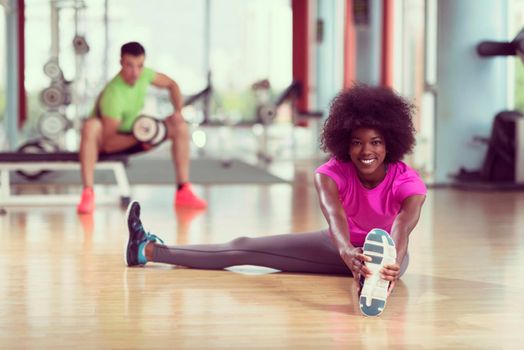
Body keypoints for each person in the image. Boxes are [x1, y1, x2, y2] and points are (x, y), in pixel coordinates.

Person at [123, 84, 427, 316]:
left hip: (390, 257)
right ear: (344, 144)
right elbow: (335, 219)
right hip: (338, 246)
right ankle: (147, 249)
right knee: (244, 247)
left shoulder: (408, 181)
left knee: (384, 260)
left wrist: (393, 260)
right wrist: (348, 253)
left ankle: (374, 277)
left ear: (391, 144)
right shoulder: (329, 173)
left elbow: (403, 225)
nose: (366, 151)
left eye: (376, 142)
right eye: (357, 142)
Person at [77, 41, 207, 214]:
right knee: (91, 126)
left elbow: (172, 84)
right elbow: (108, 144)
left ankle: (183, 190)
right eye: (130, 66)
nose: (135, 72)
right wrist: (142, 136)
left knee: (180, 127)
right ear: (121, 63)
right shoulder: (113, 93)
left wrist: (178, 111)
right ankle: (88, 193)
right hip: (111, 140)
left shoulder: (144, 75)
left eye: (140, 65)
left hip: (137, 132)